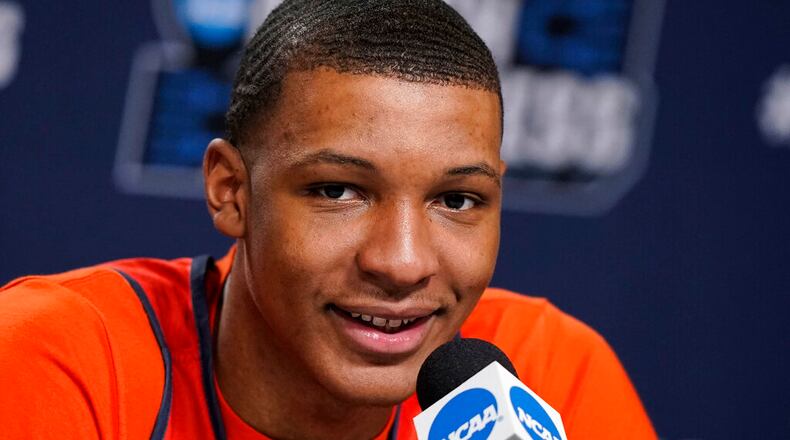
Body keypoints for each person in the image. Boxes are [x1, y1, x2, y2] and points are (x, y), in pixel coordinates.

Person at [0, 1, 657, 438]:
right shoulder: (63, 362)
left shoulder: (547, 372)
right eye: (338, 190)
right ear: (232, 190)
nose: (403, 263)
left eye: (456, 200)